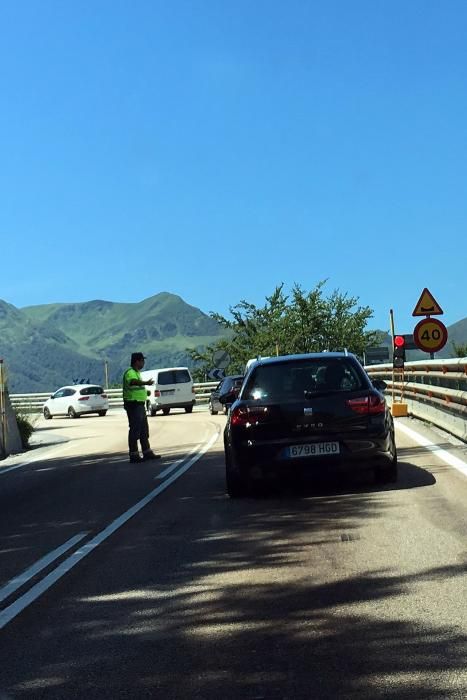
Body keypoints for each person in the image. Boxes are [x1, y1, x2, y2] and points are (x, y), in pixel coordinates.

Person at [122, 352, 161, 463]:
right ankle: (134, 454)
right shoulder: (130, 372)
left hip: (139, 404)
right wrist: (146, 383)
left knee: (144, 429)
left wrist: (145, 391)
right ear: (137, 361)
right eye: (142, 361)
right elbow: (133, 382)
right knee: (135, 429)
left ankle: (147, 452)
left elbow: (137, 386)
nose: (143, 363)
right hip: (133, 404)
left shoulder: (137, 373)